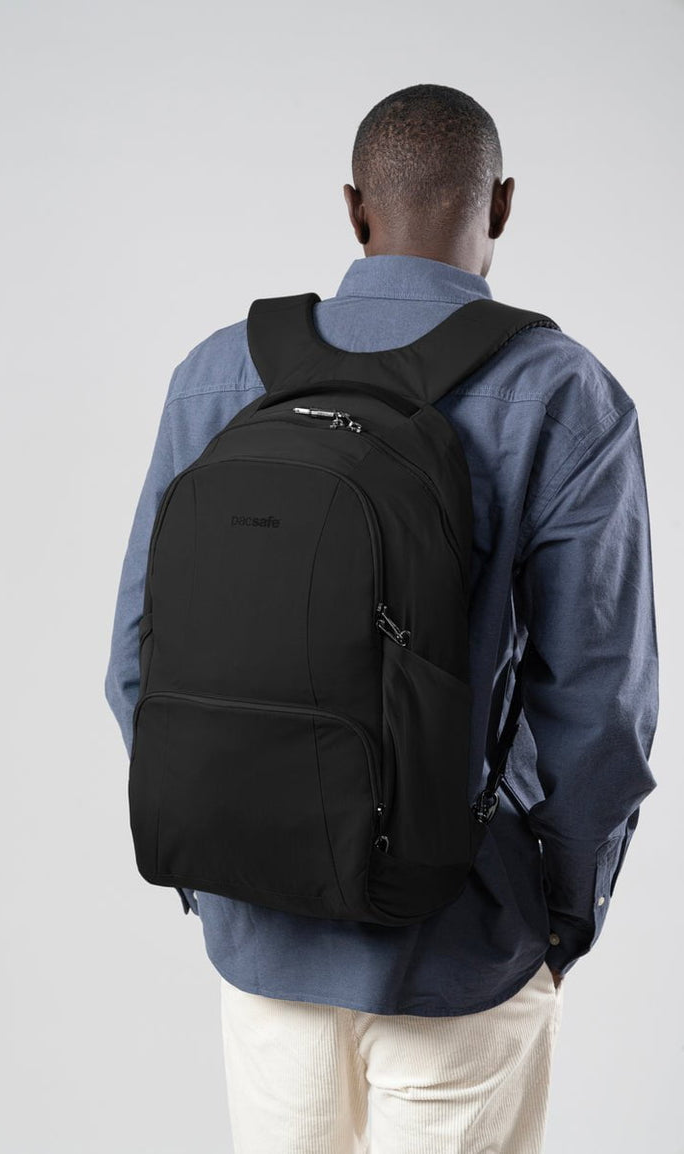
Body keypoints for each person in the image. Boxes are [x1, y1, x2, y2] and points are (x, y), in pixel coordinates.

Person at [104, 84, 659, 1153]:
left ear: (354, 208)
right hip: (459, 943)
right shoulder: (559, 392)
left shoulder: (216, 373)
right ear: (500, 206)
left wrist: (232, 868)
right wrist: (553, 919)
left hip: (262, 950)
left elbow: (135, 661)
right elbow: (601, 708)